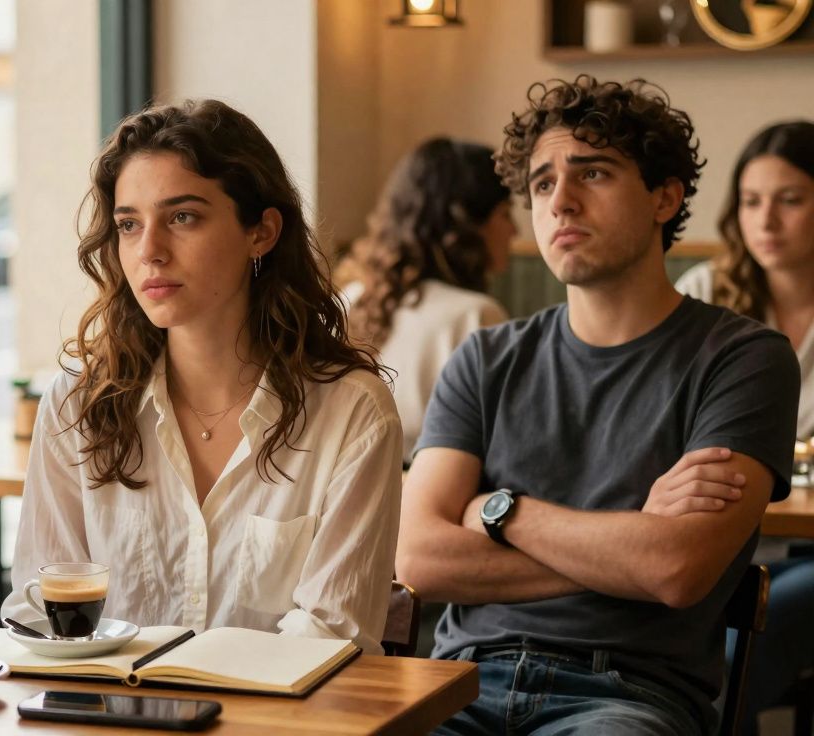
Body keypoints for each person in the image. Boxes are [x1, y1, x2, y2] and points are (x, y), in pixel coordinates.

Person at [396, 75, 799, 735]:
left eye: (595, 174)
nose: (562, 203)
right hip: (458, 687)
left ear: (664, 197)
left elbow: (675, 568)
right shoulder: (484, 358)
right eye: (543, 184)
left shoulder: (745, 358)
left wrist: (499, 510)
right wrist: (626, 546)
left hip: (625, 696)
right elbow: (418, 557)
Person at [1, 99, 403, 652]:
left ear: (261, 232)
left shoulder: (351, 413)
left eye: (182, 217)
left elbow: (329, 642)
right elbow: (42, 609)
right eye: (128, 225)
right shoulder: (77, 405)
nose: (149, 252)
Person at [676, 120, 814, 735]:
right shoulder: (705, 292)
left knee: (748, 635)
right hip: (722, 538)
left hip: (807, 549)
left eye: (790, 200)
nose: (767, 221)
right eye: (752, 202)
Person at [343, 137, 515, 462]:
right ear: (467, 225)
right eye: (506, 213)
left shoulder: (348, 300)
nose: (514, 231)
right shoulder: (475, 316)